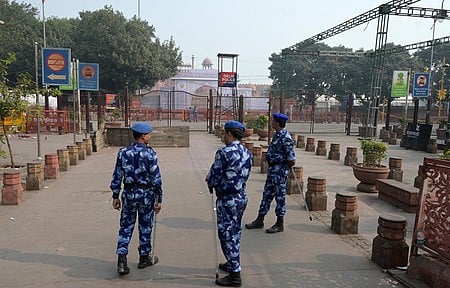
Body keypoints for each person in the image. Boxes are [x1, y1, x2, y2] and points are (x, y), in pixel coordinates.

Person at [110, 122, 163, 275]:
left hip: (128, 194)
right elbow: (156, 179)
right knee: (145, 226)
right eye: (149, 134)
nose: (150, 136)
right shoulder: (150, 154)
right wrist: (159, 199)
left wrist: (115, 195)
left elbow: (117, 175)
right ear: (143, 136)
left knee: (126, 227)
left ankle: (121, 260)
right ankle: (144, 257)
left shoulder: (123, 152)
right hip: (146, 195)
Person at [206, 120, 253, 287]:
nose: (223, 136)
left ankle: (235, 275)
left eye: (225, 133)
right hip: (241, 197)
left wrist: (210, 181)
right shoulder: (247, 153)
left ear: (229, 134)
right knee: (235, 232)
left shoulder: (224, 153)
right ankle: (231, 261)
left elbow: (214, 176)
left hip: (227, 199)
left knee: (227, 235)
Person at [245, 113, 296, 234]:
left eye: (273, 121)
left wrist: (279, 161)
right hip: (272, 171)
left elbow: (292, 159)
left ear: (277, 123)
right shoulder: (277, 135)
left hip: (279, 172)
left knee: (280, 198)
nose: (271, 123)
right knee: (266, 195)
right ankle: (260, 220)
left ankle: (279, 223)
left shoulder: (285, 137)